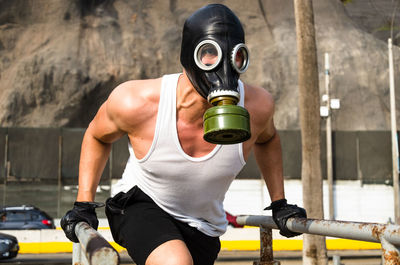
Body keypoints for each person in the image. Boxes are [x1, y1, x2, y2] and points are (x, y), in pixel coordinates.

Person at [61, 4, 306, 265]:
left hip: (203, 226)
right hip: (138, 204)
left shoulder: (257, 107)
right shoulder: (137, 102)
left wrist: (279, 202)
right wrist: (84, 204)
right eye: (209, 52)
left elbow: (268, 139)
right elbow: (98, 135)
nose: (222, 65)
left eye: (235, 55)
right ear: (190, 54)